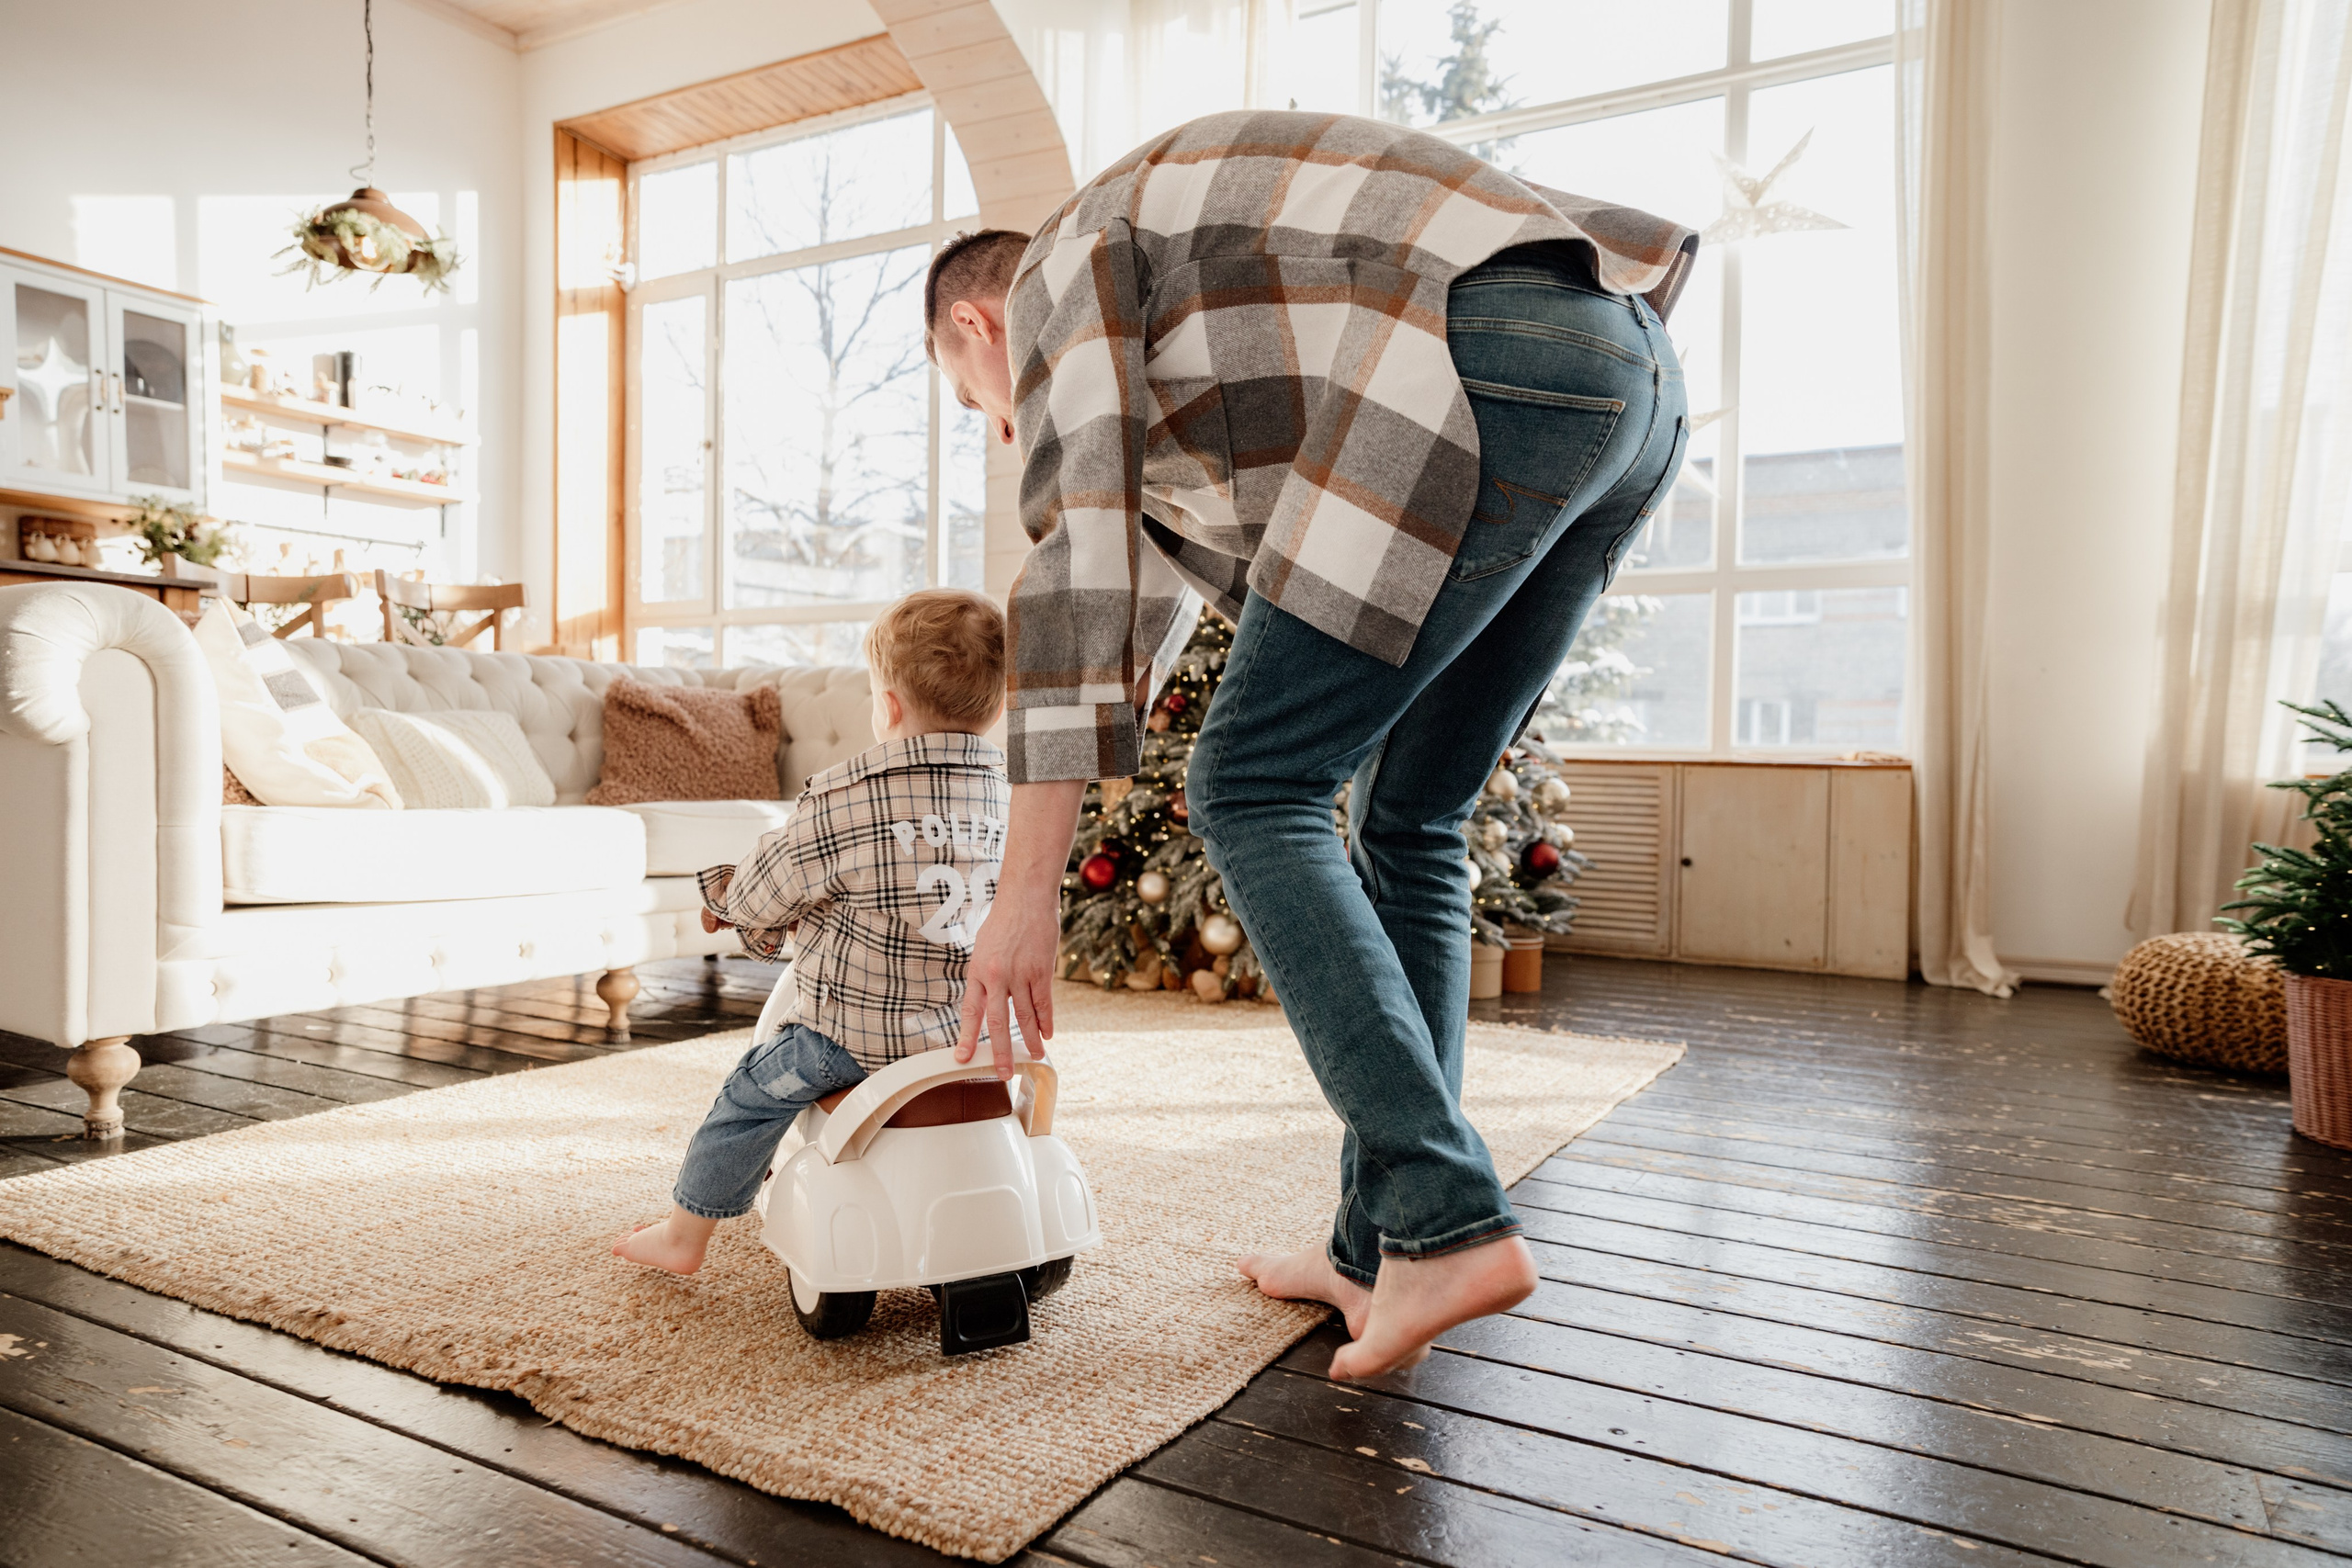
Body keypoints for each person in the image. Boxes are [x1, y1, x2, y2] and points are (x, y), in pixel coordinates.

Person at [928, 110, 1696, 1378]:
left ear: (978, 326)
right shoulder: (1171, 284)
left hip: (1480, 349)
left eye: (979, 404)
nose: (1004, 433)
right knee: (1413, 815)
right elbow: (1139, 603)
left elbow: (1077, 568)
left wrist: (1023, 900)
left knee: (1251, 782)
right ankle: (1373, 1249)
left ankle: (1446, 1214)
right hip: (1627, 371)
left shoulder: (1055, 269)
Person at [614, 589, 1013, 1276]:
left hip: (852, 1041)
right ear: (997, 707)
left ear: (888, 706)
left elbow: (762, 890)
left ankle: (684, 1235)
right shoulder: (1011, 799)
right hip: (970, 1037)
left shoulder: (844, 798)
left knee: (746, 1096)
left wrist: (728, 899)